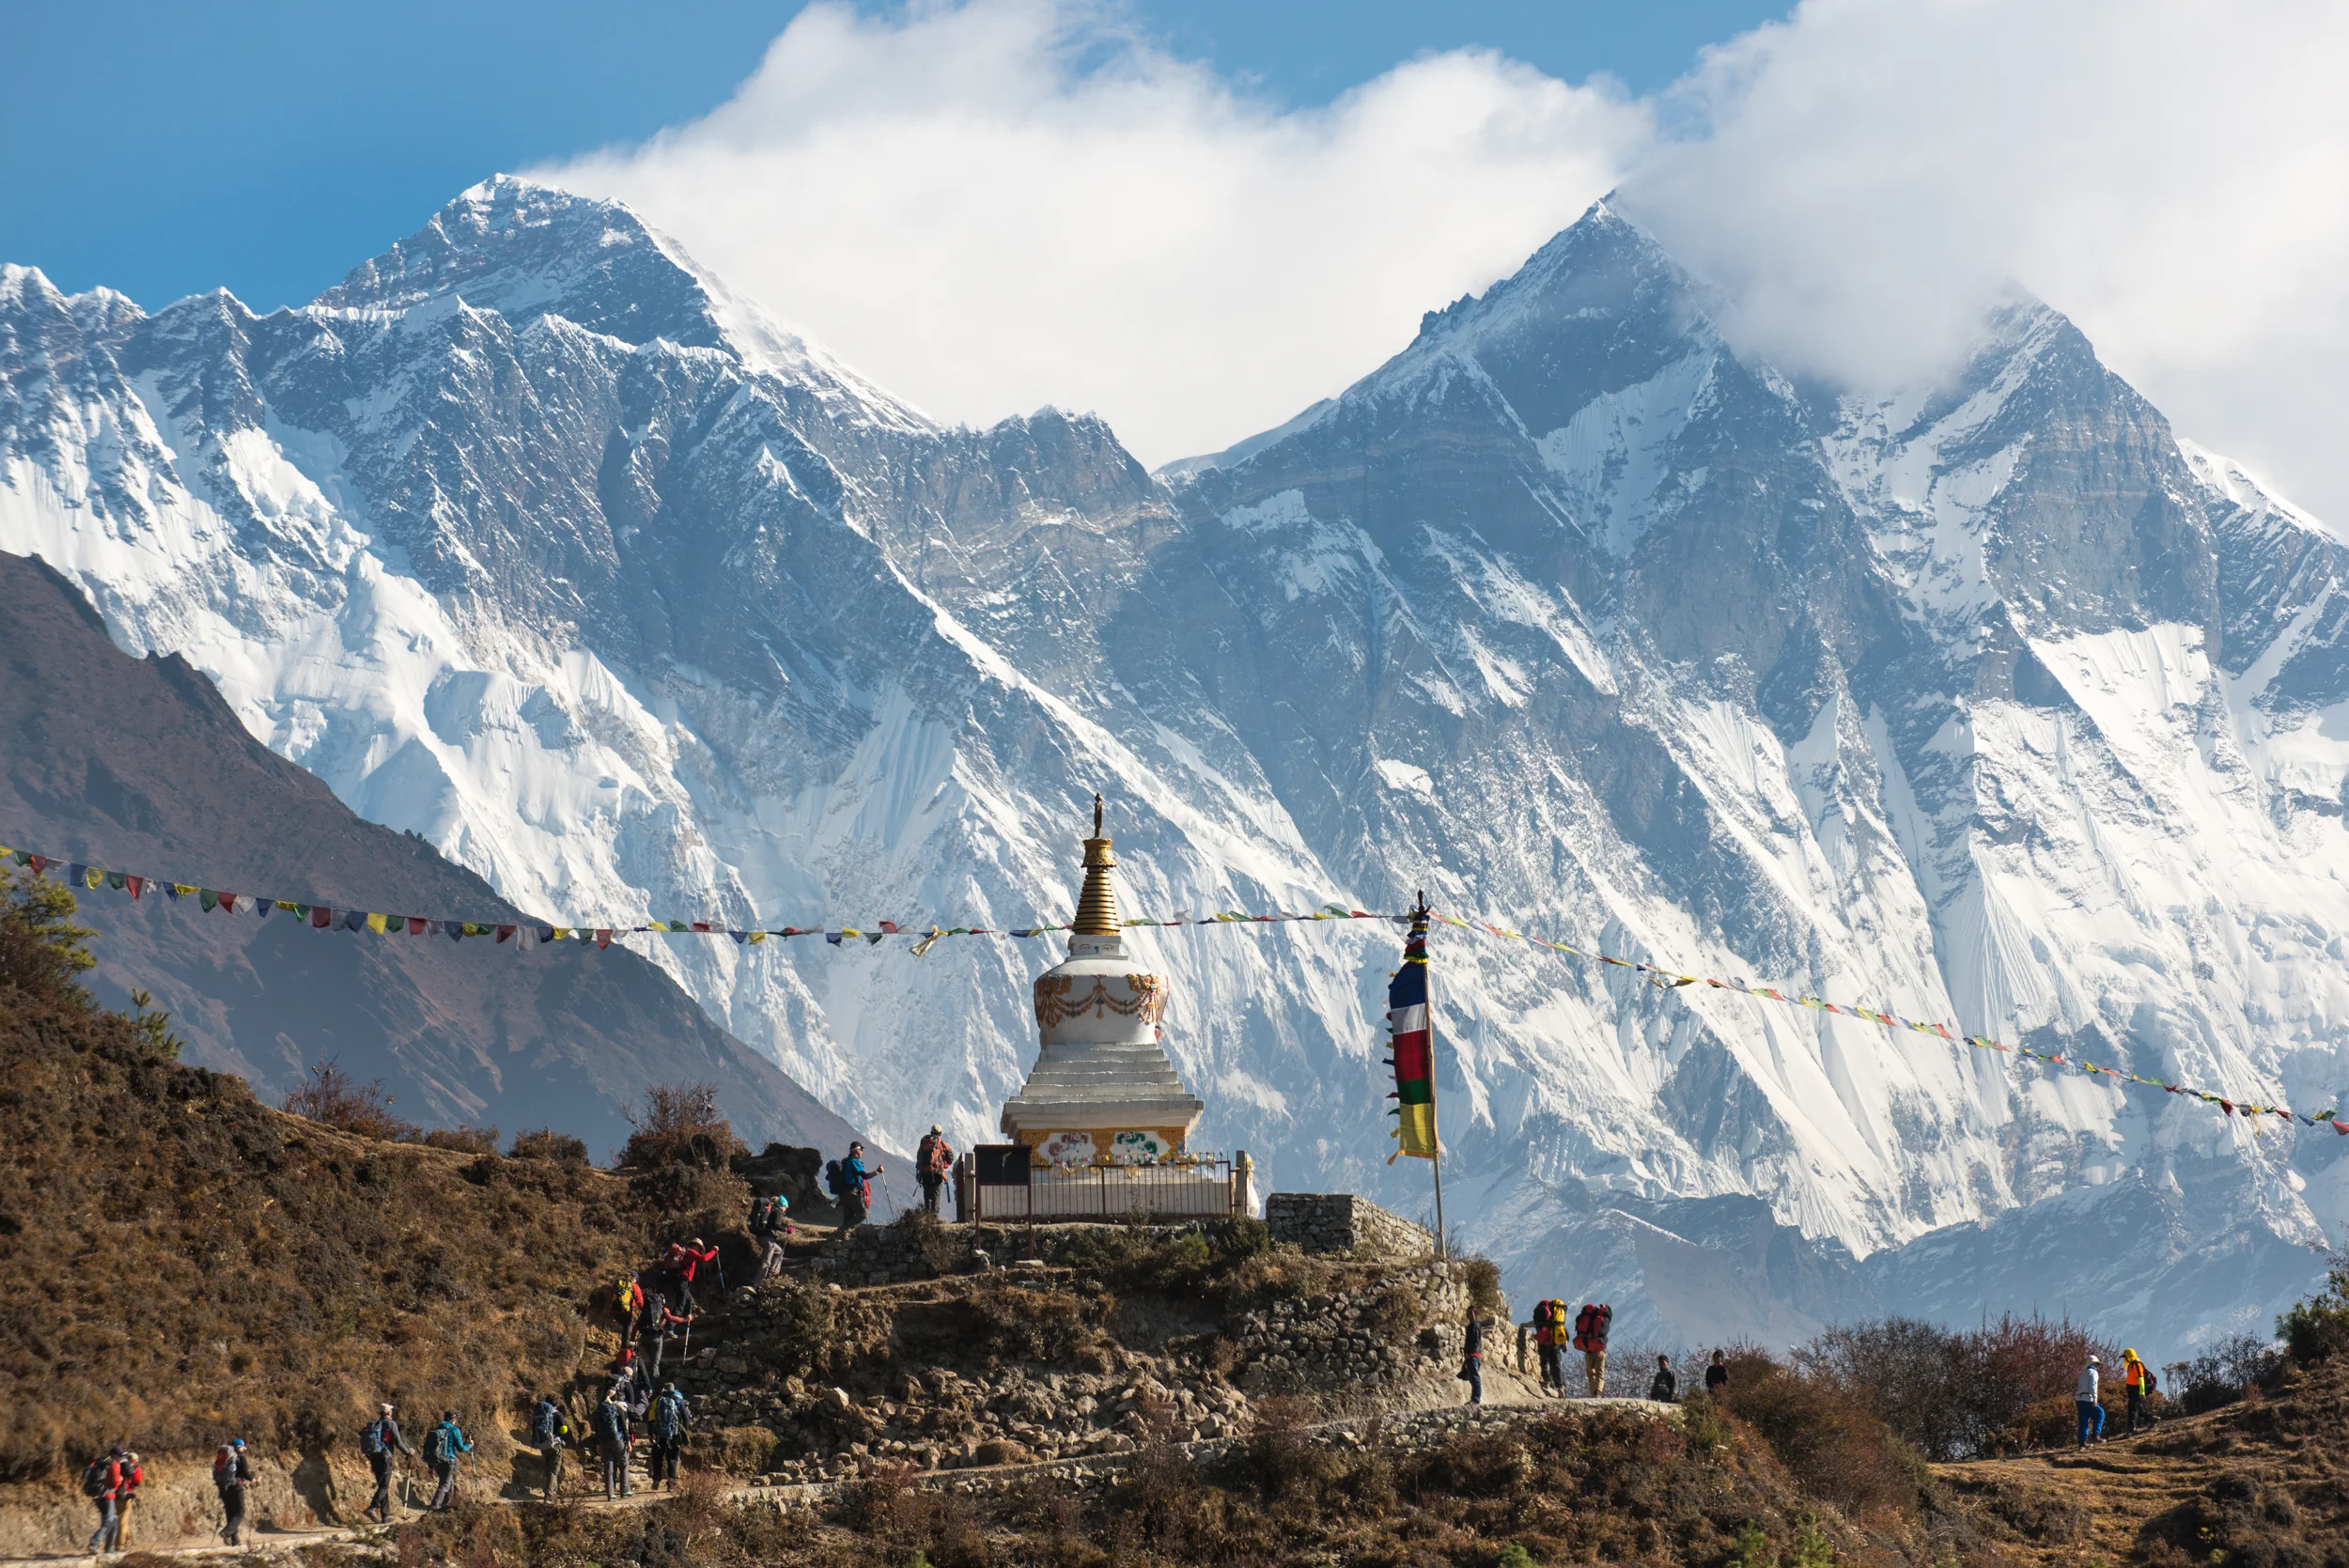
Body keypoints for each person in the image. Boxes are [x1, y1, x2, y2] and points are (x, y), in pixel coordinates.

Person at [362, 1404, 415, 1522]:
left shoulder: (375, 1425)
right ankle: (372, 1507)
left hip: (374, 1457)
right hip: (385, 1457)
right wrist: (408, 1452)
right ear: (389, 1413)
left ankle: (385, 1515)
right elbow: (398, 1441)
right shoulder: (391, 1424)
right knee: (385, 1485)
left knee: (382, 1486)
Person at [82, 1443, 130, 1556]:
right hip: (107, 1496)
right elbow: (114, 1482)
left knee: (114, 1520)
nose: (122, 1458)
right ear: (114, 1455)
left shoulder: (99, 1461)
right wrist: (120, 1479)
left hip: (97, 1495)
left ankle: (109, 1548)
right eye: (120, 1455)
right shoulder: (114, 1465)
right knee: (108, 1522)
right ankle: (94, 1543)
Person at [647, 1382, 692, 1491]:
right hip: (674, 1434)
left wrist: (650, 1433)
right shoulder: (678, 1400)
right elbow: (686, 1418)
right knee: (672, 1458)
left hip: (659, 1434)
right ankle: (671, 1483)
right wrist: (684, 1432)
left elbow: (651, 1418)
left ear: (664, 1390)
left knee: (657, 1457)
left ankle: (656, 1479)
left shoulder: (657, 1400)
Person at [660, 1237, 720, 1315]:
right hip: (682, 1280)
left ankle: (684, 1321)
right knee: (680, 1305)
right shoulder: (691, 1252)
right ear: (696, 1246)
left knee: (690, 1301)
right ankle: (670, 1325)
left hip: (681, 1281)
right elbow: (704, 1258)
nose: (699, 1251)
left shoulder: (687, 1253)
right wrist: (714, 1251)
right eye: (699, 1249)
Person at [427, 1411, 472, 1510]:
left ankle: (445, 1504)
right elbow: (461, 1448)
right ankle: (434, 1505)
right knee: (445, 1485)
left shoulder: (438, 1428)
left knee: (448, 1482)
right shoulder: (454, 1430)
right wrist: (469, 1445)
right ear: (453, 1420)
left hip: (435, 1460)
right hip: (448, 1460)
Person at [835, 1141, 881, 1234]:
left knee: (849, 1216)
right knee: (863, 1213)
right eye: (861, 1150)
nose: (862, 1152)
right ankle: (843, 1230)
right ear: (856, 1150)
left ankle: (842, 1237)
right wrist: (878, 1172)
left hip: (843, 1193)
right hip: (852, 1192)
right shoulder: (855, 1162)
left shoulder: (846, 1161)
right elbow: (865, 1176)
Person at [594, 1389, 633, 1499]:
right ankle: (625, 1491)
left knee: (608, 1466)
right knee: (623, 1464)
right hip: (617, 1440)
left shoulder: (599, 1409)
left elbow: (596, 1428)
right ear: (615, 1398)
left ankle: (610, 1494)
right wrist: (628, 1442)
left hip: (604, 1441)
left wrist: (597, 1443)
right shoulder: (616, 1409)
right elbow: (624, 1428)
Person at [531, 1395, 569, 1501]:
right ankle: (549, 1496)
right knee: (554, 1471)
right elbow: (564, 1430)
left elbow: (531, 1432)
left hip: (543, 1445)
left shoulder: (540, 1415)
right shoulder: (557, 1414)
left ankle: (552, 1494)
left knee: (548, 1470)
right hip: (554, 1445)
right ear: (556, 1404)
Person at [213, 1438, 252, 1545]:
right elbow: (246, 1474)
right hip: (236, 1487)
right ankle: (226, 1533)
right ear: (239, 1447)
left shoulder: (224, 1458)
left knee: (230, 1513)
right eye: (242, 1447)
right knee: (240, 1512)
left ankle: (235, 1540)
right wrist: (254, 1479)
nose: (243, 1450)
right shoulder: (240, 1458)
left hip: (223, 1487)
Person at [1572, 1302, 1612, 1396]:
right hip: (1599, 1349)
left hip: (1587, 1348)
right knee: (1600, 1373)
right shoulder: (1603, 1319)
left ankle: (1593, 1394)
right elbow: (1604, 1332)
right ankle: (1598, 1391)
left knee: (1590, 1373)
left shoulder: (1583, 1317)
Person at [915, 1125, 954, 1216]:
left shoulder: (924, 1142)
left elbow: (919, 1157)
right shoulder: (940, 1143)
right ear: (940, 1133)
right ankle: (934, 1217)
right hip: (937, 1173)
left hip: (924, 1173)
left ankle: (927, 1216)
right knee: (935, 1194)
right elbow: (951, 1158)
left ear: (931, 1132)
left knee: (927, 1194)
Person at [2077, 1356, 2106, 1449]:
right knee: (2100, 1414)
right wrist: (2095, 1399)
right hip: (2088, 1398)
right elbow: (2093, 1385)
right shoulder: (2093, 1372)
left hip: (2079, 1399)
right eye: (2096, 1364)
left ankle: (2082, 1443)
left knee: (2083, 1421)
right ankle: (2095, 1435)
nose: (2097, 1366)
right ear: (2093, 1364)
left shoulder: (2082, 1373)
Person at [1459, 1313, 1488, 1405]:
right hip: (1471, 1355)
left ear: (1475, 1314)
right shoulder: (1472, 1326)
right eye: (1468, 1311)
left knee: (1474, 1377)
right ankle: (1474, 1399)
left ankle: (1475, 1400)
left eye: (1471, 1312)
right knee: (1472, 1377)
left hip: (1473, 1355)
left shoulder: (1475, 1326)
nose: (1469, 1314)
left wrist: (1470, 1353)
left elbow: (1475, 1341)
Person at [2122, 1348, 2153, 1434]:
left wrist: (2142, 1392)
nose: (2124, 1359)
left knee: (2133, 1409)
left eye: (2125, 1357)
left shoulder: (2137, 1365)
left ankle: (2132, 1429)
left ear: (2129, 1357)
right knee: (2137, 1408)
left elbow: (2141, 1379)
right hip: (2132, 1390)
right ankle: (2152, 1419)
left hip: (2136, 1390)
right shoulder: (2131, 1365)